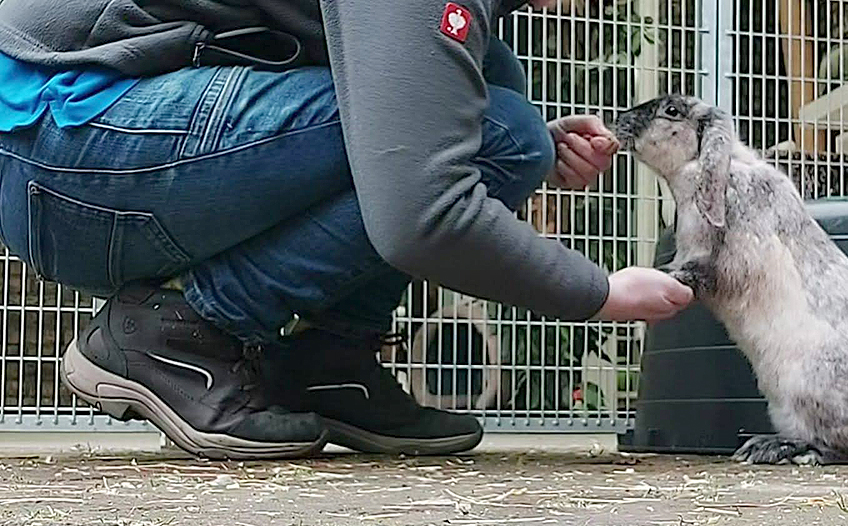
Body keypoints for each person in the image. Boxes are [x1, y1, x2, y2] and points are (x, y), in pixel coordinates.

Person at [0, 0, 694, 459]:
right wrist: (597, 291)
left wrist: (533, 148)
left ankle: (323, 365)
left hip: (80, 136)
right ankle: (179, 329)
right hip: (60, 140)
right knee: (496, 135)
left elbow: (455, 102)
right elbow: (422, 212)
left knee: (501, 117)